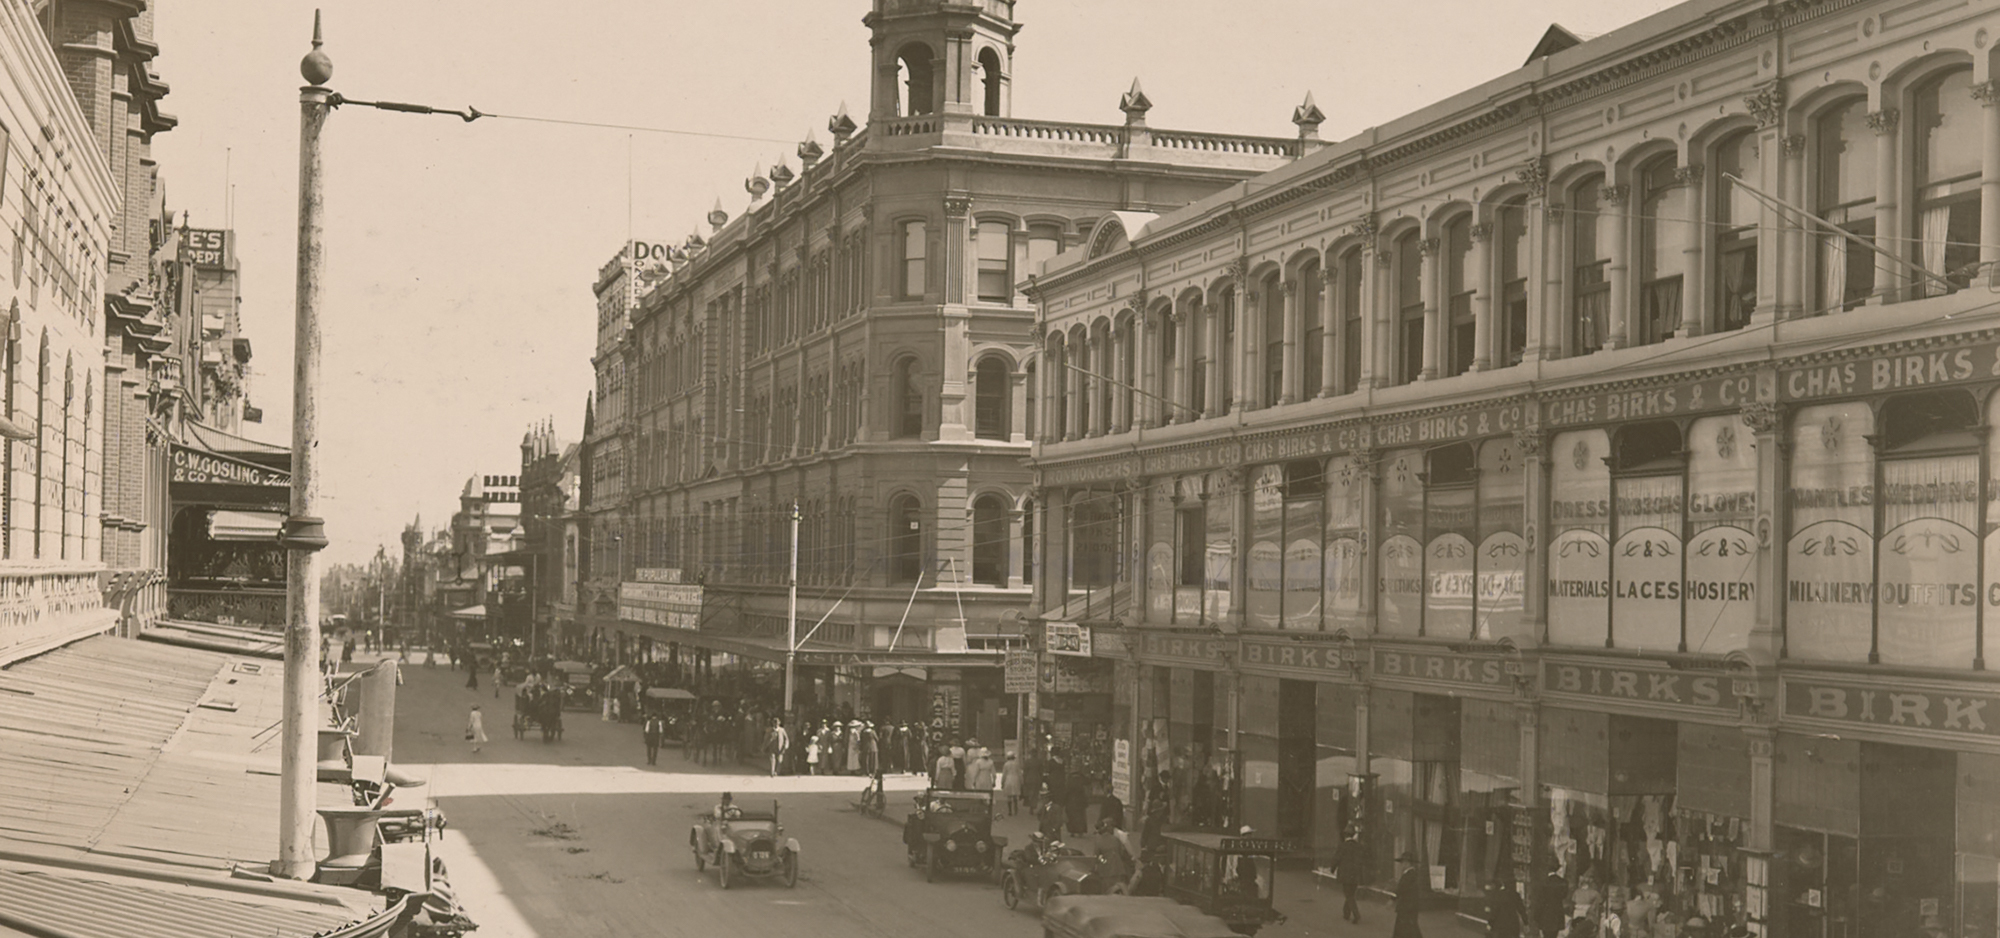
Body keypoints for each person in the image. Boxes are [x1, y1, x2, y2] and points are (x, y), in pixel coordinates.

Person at [1331, 827, 1368, 924]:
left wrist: (1332, 869)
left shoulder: (1342, 846)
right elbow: (1363, 860)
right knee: (1351, 894)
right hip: (1356, 875)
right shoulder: (1359, 846)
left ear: (1345, 835)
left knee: (1348, 895)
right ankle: (1346, 913)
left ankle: (1356, 915)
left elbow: (1336, 858)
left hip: (1345, 874)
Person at [1393, 852, 1426, 938]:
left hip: (1407, 906)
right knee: (1409, 927)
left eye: (1402, 863)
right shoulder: (1411, 874)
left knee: (1406, 928)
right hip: (1409, 906)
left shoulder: (1409, 875)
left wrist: (1392, 898)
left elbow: (1401, 889)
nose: (1401, 865)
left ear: (1407, 863)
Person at [1534, 870, 1569, 938]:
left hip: (1545, 914)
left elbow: (1539, 901)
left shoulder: (1543, 882)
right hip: (1557, 914)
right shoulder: (1563, 882)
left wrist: (1536, 916)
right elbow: (1564, 896)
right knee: (1554, 935)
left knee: (1546, 935)